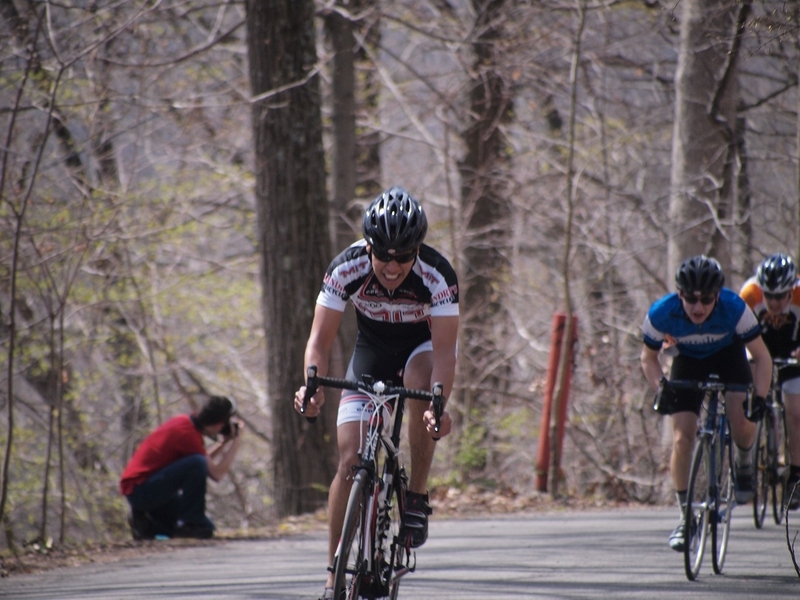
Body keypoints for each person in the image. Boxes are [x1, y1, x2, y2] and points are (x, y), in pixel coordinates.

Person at [293, 186, 458, 600]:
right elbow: (319, 341)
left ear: (417, 250)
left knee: (422, 386)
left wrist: (439, 405)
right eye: (382, 254)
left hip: (420, 349)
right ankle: (334, 574)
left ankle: (416, 497)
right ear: (367, 246)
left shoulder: (438, 275)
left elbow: (444, 354)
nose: (391, 265)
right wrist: (311, 385)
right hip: (372, 351)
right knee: (349, 459)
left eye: (404, 256)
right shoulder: (345, 267)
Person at [640, 255, 772, 552]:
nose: (698, 307)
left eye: (707, 299)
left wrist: (760, 398)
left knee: (741, 422)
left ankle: (743, 462)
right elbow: (648, 359)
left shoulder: (735, 309)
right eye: (690, 299)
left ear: (718, 296)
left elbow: (762, 358)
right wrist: (661, 387)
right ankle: (686, 517)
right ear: (679, 295)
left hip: (729, 358)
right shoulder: (662, 313)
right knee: (682, 437)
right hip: (687, 361)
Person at [120, 395, 243, 540]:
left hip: (146, 489)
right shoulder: (188, 435)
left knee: (206, 529)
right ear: (220, 424)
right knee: (197, 463)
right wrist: (237, 442)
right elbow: (216, 474)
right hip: (140, 489)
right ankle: (189, 523)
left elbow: (204, 461)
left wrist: (224, 443)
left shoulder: (184, 423)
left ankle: (146, 525)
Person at [740, 253, 800, 509]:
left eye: (780, 296)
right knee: (749, 402)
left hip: (793, 350)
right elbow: (736, 331)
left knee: (796, 414)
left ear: (791, 290)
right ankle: (748, 460)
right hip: (759, 348)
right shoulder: (750, 294)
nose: (774, 302)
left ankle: (795, 476)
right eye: (769, 296)